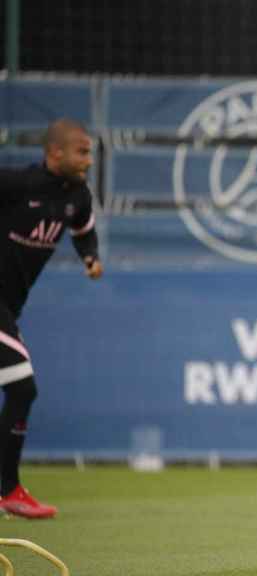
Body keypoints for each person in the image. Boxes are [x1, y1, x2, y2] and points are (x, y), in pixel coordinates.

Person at [0, 118, 103, 519]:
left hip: (9, 308)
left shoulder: (78, 196)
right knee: (23, 387)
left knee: (19, 389)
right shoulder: (15, 185)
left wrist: (90, 256)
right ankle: (8, 489)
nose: (89, 161)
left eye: (90, 152)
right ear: (54, 152)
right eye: (81, 151)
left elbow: (82, 229)